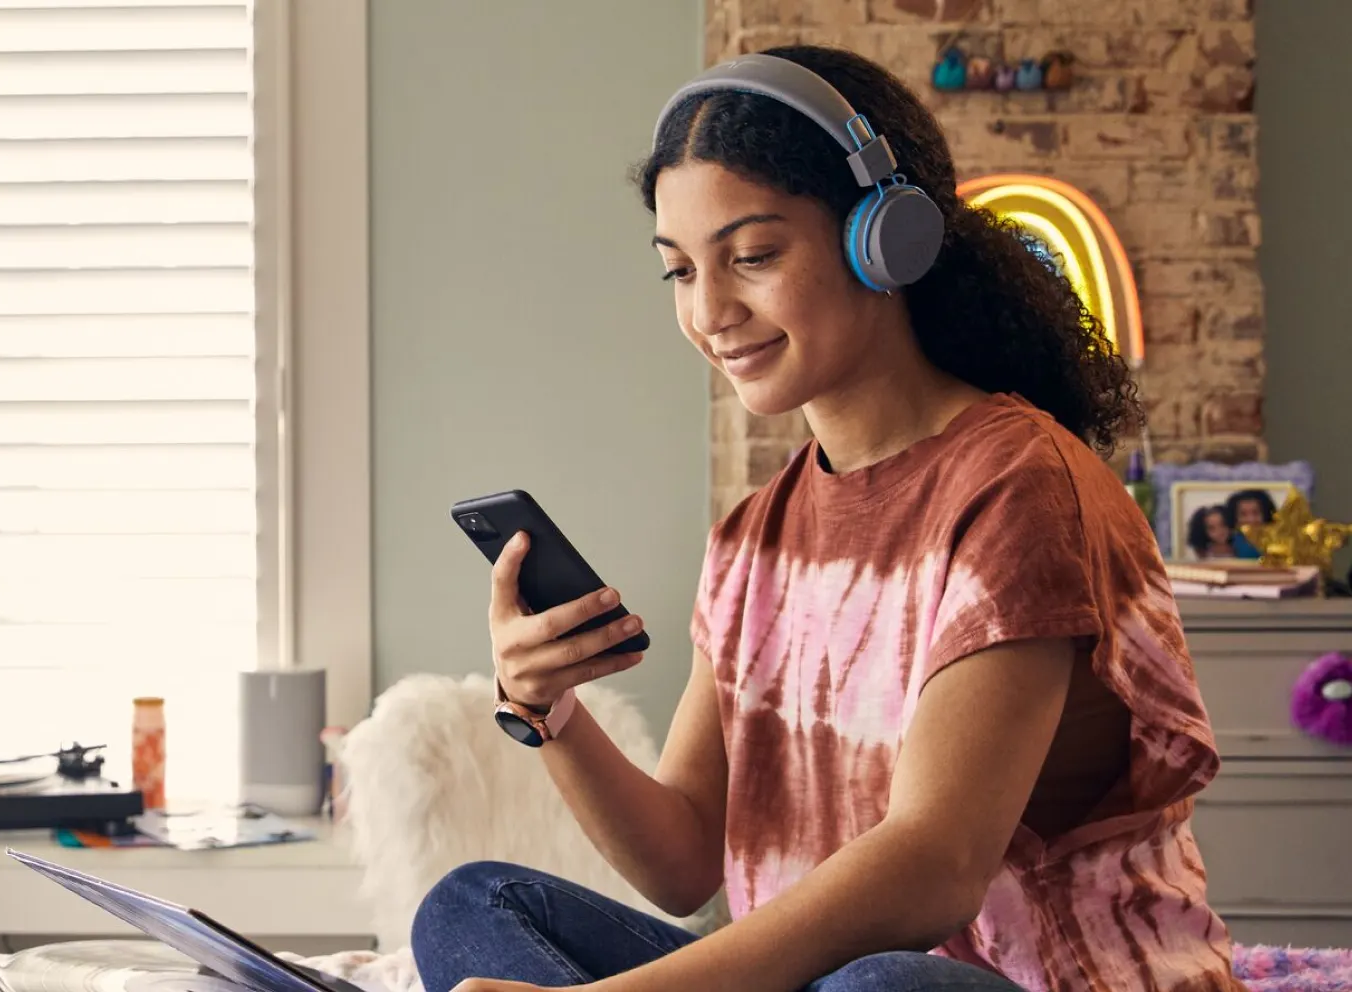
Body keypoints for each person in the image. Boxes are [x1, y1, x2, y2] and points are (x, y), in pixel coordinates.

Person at [411, 45, 1242, 992]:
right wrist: (549, 711)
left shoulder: (1019, 483)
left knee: (881, 984)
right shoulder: (756, 534)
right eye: (680, 271)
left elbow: (934, 871)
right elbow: (683, 863)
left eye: (753, 256)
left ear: (886, 238)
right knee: (472, 905)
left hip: (1034, 983)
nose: (711, 311)